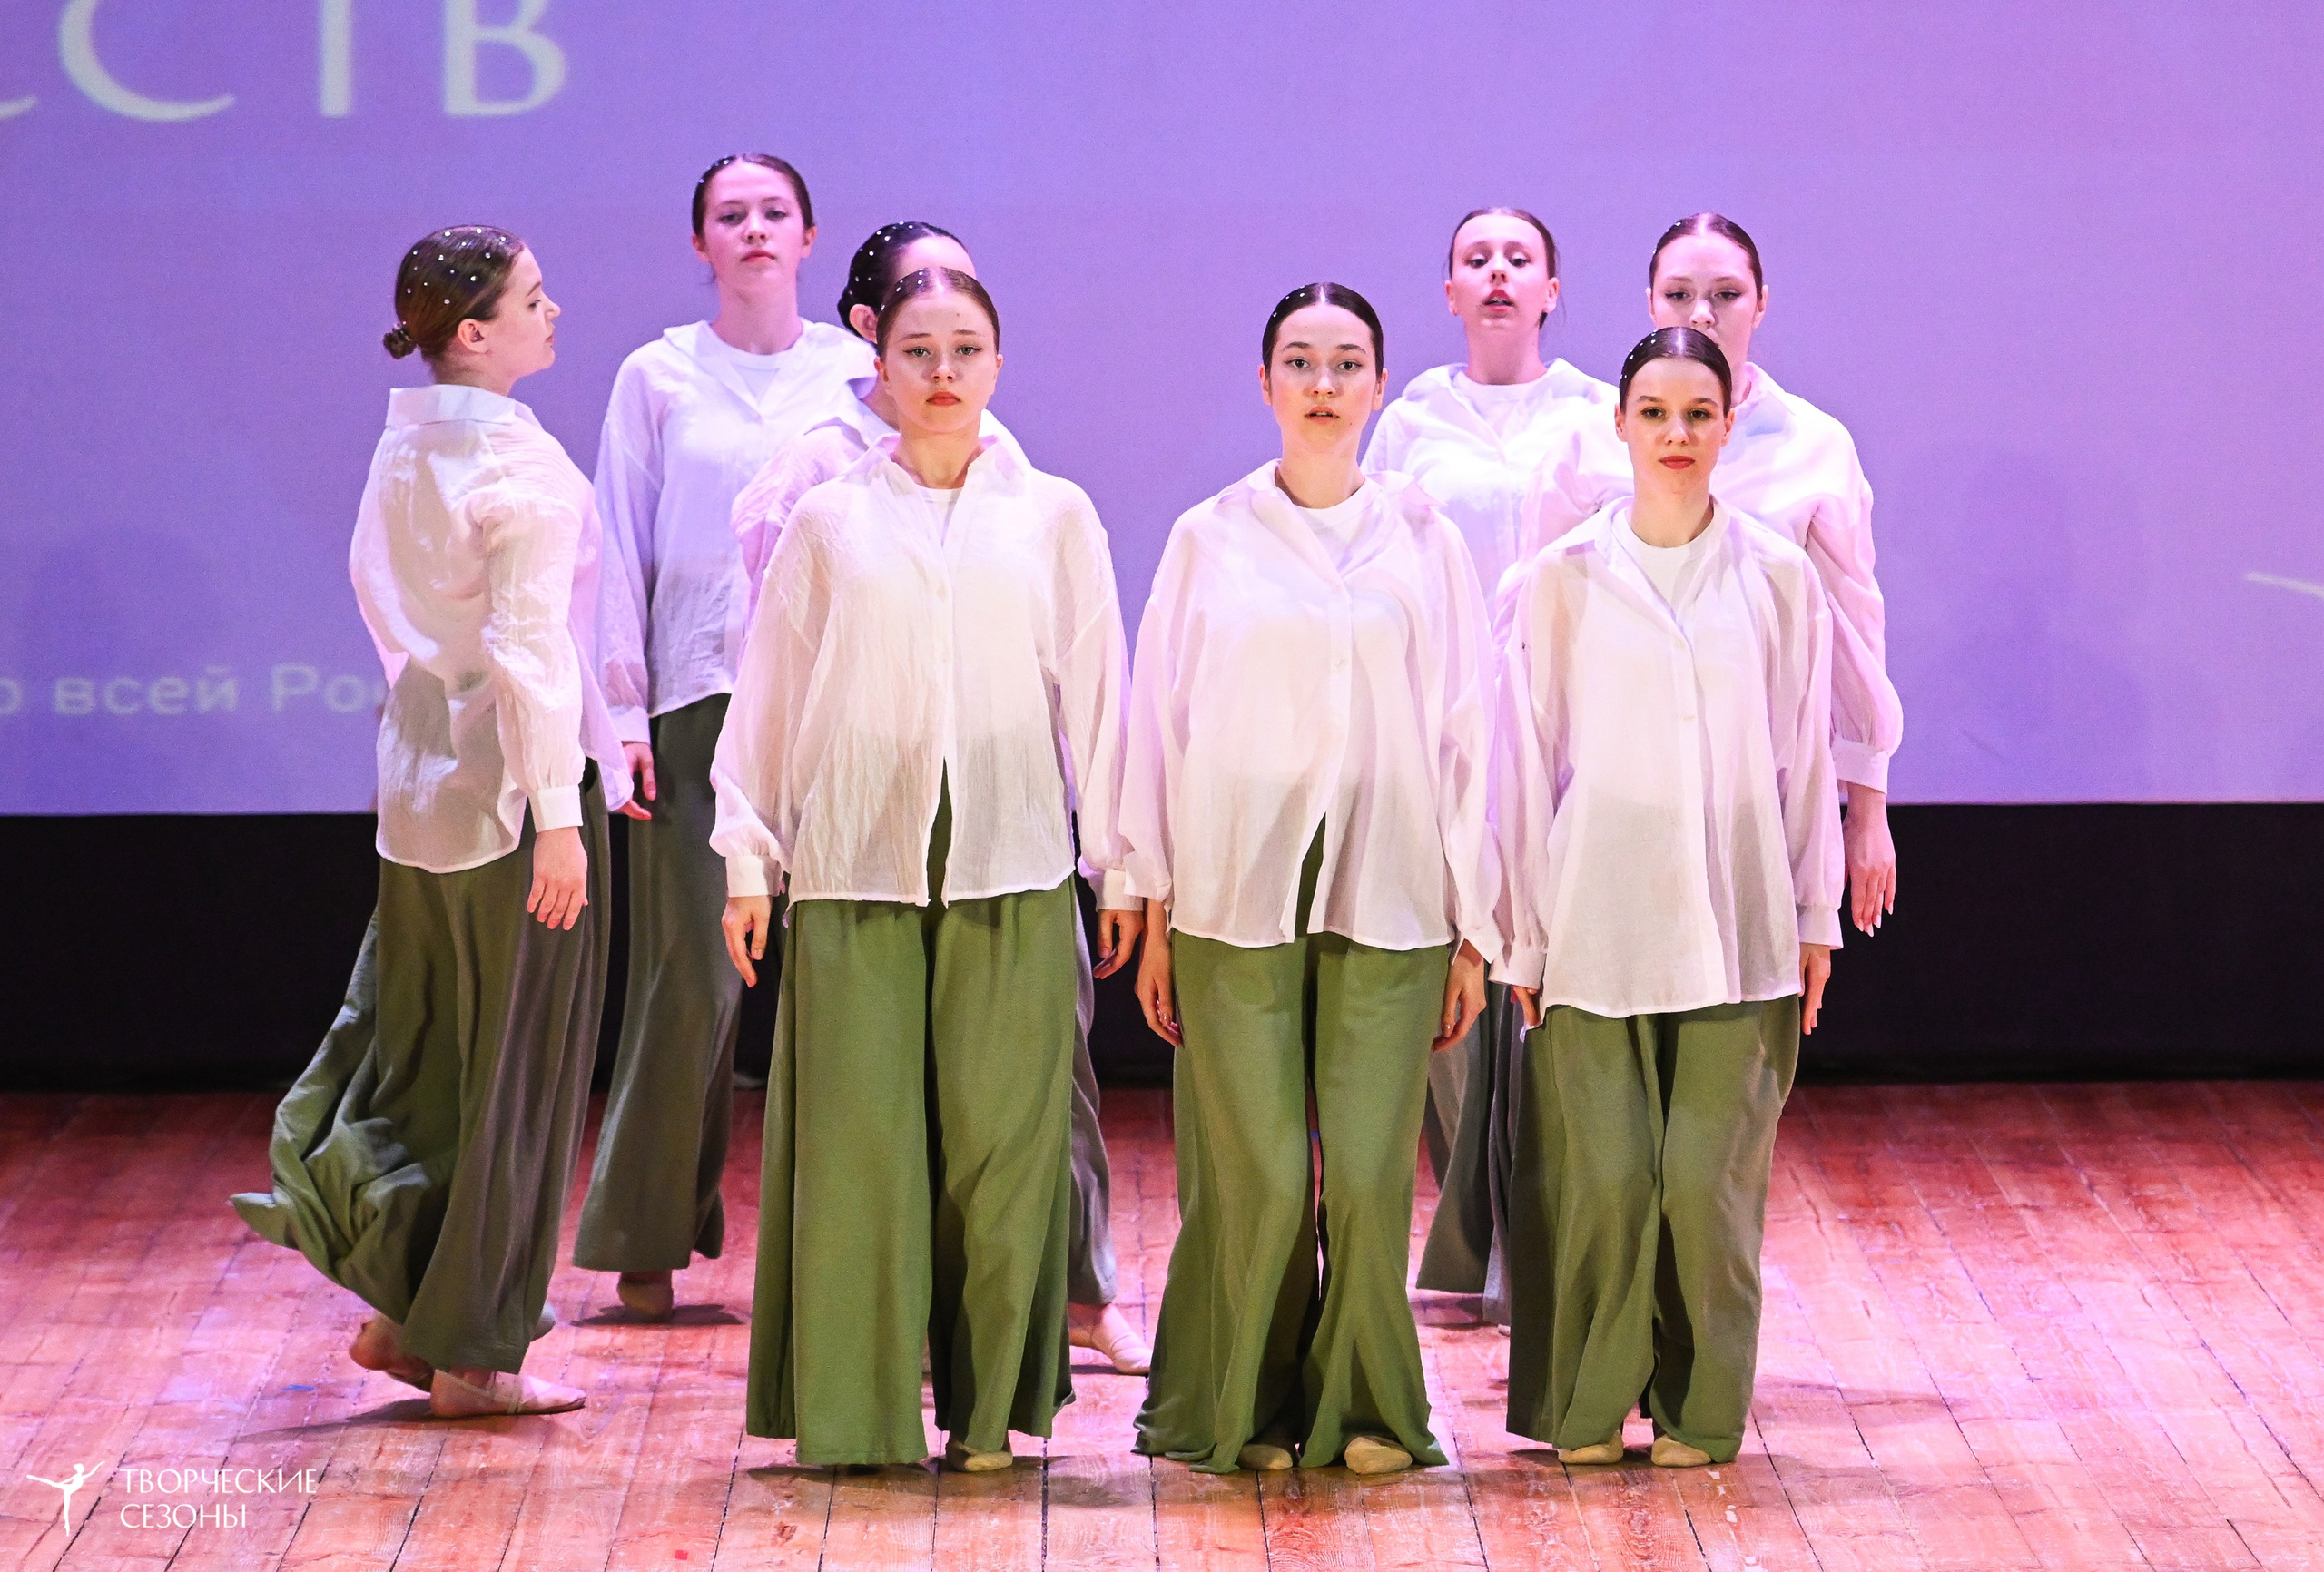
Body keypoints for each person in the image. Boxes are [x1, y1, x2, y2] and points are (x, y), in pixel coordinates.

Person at [712, 267, 1139, 1470]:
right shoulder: (830, 520)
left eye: (966, 350)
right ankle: (855, 1419)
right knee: (863, 1153)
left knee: (1008, 1160)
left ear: (998, 365)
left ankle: (994, 1416)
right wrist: (750, 854)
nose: (942, 374)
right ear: (879, 370)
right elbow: (773, 699)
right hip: (858, 871)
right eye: (918, 353)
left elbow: (1101, 699)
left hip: (1012, 865)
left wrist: (1122, 864)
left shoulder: (1053, 513)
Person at [231, 227, 635, 1417]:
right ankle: (473, 1353)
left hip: (423, 796)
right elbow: (528, 651)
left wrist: (429, 722)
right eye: (533, 298)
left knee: (440, 1062)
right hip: (517, 805)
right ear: (475, 333)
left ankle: (412, 1317)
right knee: (519, 1079)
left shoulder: (405, 448)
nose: (553, 311)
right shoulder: (518, 469)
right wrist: (558, 814)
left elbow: (379, 598)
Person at [1125, 283, 1496, 1476]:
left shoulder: (1426, 539)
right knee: (1263, 1178)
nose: (1325, 385)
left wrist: (1476, 929)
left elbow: (1468, 738)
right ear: (1267, 383)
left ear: (1383, 385)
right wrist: (1152, 898)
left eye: (1347, 364)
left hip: (1393, 900)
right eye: (1302, 362)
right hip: (1234, 896)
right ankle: (1238, 1408)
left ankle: (1373, 1411)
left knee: (1375, 1180)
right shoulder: (1209, 536)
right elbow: (1156, 722)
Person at [1495, 327, 1842, 1469]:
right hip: (1595, 920)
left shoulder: (1779, 579)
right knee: (1606, 1182)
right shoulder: (1560, 578)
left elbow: (1803, 756)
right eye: (1655, 412)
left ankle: (1702, 1408)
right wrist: (1519, 934)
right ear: (1620, 425)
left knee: (1707, 1187)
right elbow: (1519, 759)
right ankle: (1592, 1406)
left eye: (1699, 414)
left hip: (1739, 926)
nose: (1677, 435)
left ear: (1729, 425)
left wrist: (1812, 914)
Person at [577, 154, 871, 1322]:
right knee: (687, 974)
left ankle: (845, 1233)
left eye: (773, 213)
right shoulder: (657, 374)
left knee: (843, 972)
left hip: (841, 698)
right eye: (728, 216)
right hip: (699, 692)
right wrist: (620, 712)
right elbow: (614, 542)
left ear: (808, 236)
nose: (752, 230)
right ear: (699, 244)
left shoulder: (857, 369)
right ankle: (646, 1230)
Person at [1363, 206, 1610, 1321]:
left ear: (1552, 287)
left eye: (1520, 259)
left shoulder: (1600, 412)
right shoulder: (1410, 416)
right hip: (1443, 719)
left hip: (1567, 721)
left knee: (1551, 969)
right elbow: (1372, 561)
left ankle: (1548, 1226)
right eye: (1477, 259)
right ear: (1449, 290)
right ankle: (1486, 1231)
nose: (1499, 273)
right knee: (1454, 964)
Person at [1525, 212, 1901, 935]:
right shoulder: (1586, 443)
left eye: (1726, 294)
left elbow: (1854, 632)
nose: (1701, 313)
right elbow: (1529, 632)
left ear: (1761, 303)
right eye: (1678, 294)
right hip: (1612, 782)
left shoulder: (1813, 446)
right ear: (1649, 303)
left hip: (1760, 784)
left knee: (1743, 1014)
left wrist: (1868, 809)